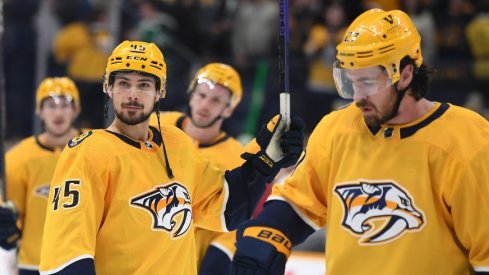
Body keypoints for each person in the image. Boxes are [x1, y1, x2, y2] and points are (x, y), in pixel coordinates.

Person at [231, 9, 489, 275]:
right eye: (350, 83)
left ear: (407, 74)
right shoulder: (336, 129)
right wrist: (266, 236)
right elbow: (300, 200)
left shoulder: (468, 140)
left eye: (367, 83)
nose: (356, 97)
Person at [38, 40, 304, 275]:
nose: (133, 94)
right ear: (108, 87)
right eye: (123, 83)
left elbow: (225, 208)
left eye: (144, 84)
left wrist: (267, 161)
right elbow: (66, 254)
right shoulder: (87, 151)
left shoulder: (176, 143)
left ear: (160, 91)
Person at [149, 62, 245, 274]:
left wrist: (218, 257)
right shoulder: (155, 126)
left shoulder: (236, 158)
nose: (205, 105)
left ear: (228, 109)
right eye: (201, 96)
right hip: (139, 247)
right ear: (191, 95)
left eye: (216, 100)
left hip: (186, 262)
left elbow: (233, 221)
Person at [5, 77, 84, 275]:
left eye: (65, 105)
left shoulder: (97, 148)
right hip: (34, 264)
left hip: (84, 261)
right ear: (39, 111)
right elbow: (13, 214)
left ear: (76, 110)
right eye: (50, 105)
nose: (58, 113)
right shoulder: (17, 158)